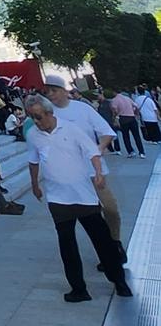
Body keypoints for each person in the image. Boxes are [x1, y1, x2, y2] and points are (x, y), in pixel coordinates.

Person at [24, 94, 131, 303]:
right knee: (67, 245)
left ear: (49, 113)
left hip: (84, 196)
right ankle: (78, 288)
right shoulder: (33, 135)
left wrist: (99, 173)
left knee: (103, 241)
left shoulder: (71, 129)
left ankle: (119, 281)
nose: (36, 122)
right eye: (32, 117)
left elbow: (92, 152)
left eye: (38, 117)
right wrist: (35, 184)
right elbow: (33, 160)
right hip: (57, 199)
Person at [33, 73, 123, 256]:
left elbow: (106, 132)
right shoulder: (47, 115)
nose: (51, 95)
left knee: (110, 208)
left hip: (93, 170)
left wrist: (97, 149)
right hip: (68, 175)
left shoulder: (83, 109)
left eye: (54, 90)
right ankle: (106, 254)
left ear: (65, 91)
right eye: (47, 91)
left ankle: (115, 241)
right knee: (88, 218)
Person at [109, 88, 144, 156]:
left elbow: (115, 111)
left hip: (123, 119)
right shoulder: (127, 98)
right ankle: (141, 152)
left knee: (126, 136)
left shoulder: (114, 100)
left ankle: (131, 151)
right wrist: (136, 113)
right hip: (132, 117)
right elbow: (136, 106)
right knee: (137, 136)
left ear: (114, 92)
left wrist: (115, 117)